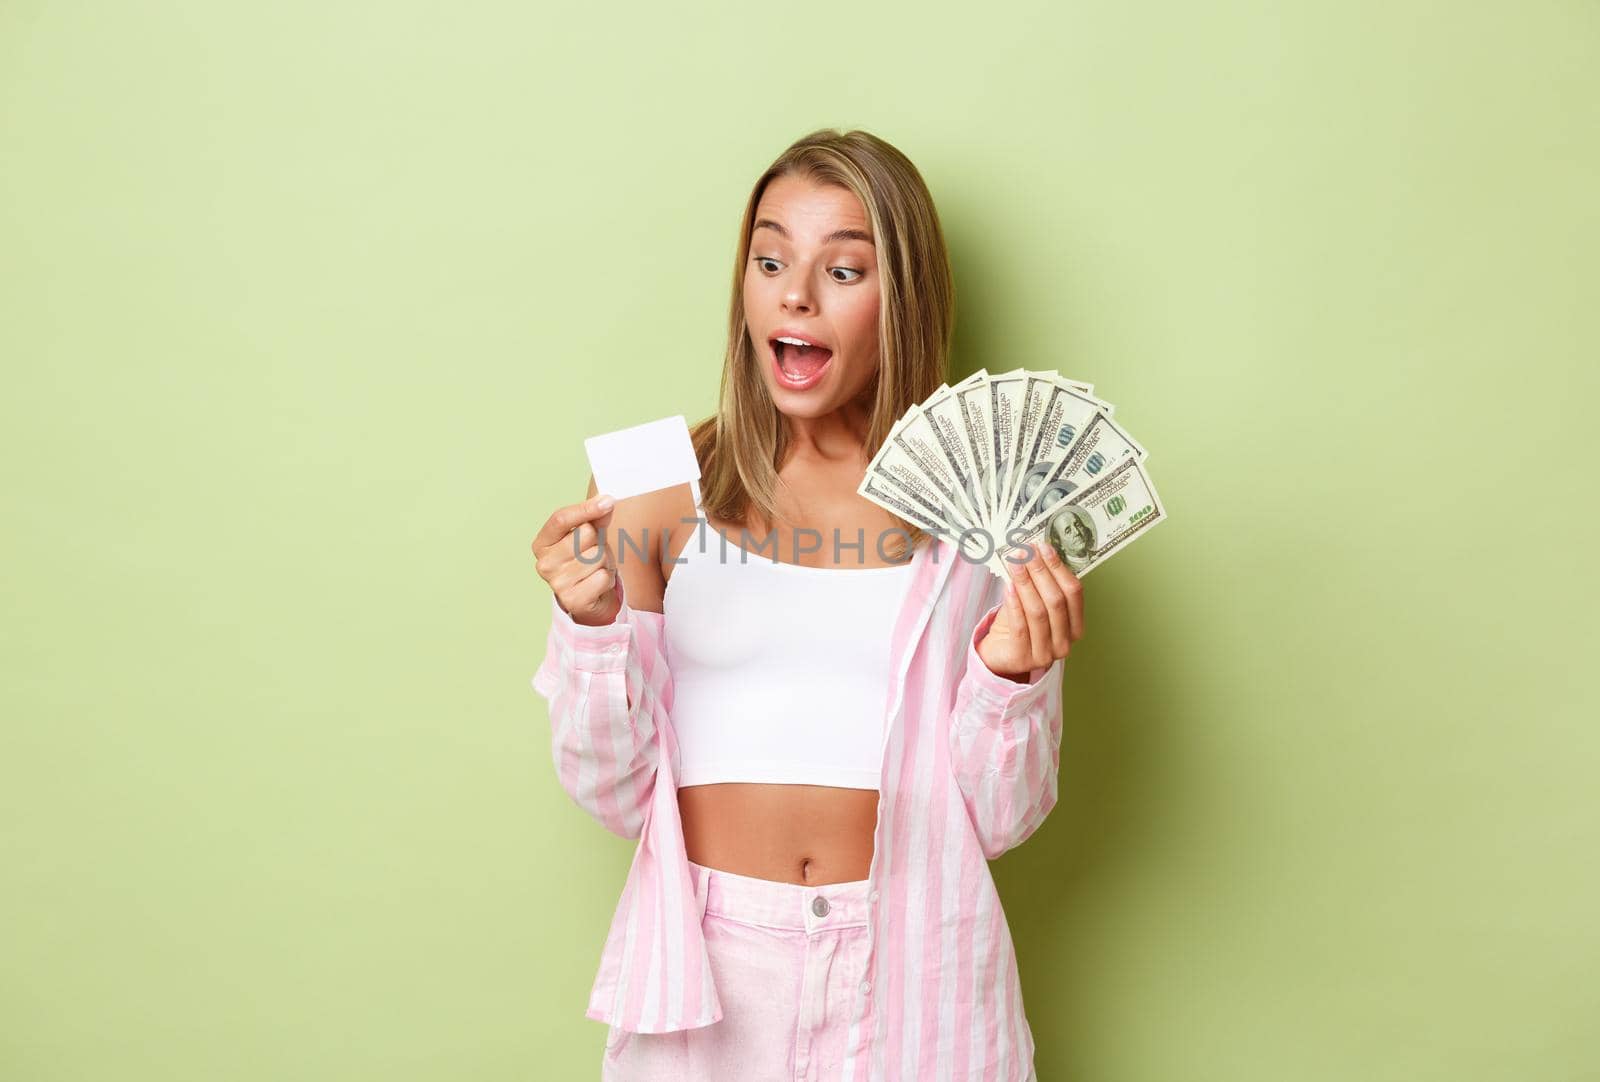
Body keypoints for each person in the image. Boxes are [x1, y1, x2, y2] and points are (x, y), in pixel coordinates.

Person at [530, 129, 1083, 1082]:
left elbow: (1000, 820)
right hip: (708, 971)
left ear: (901, 300)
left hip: (919, 963)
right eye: (772, 258)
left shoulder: (984, 505)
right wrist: (591, 629)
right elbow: (614, 794)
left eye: (845, 269)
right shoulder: (654, 484)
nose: (795, 294)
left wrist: (1011, 679)